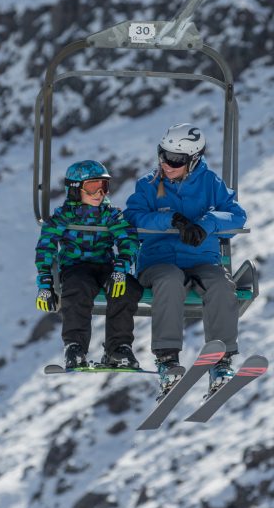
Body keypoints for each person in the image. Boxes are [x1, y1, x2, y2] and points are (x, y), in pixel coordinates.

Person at [124, 123, 247, 398]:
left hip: (200, 259)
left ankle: (221, 360)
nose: (167, 164)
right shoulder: (148, 185)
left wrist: (207, 223)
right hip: (158, 261)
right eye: (164, 155)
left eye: (176, 160)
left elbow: (237, 216)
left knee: (220, 283)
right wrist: (171, 220)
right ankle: (167, 359)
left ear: (193, 161)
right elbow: (133, 218)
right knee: (169, 280)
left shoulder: (210, 183)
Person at [35, 160, 143, 369]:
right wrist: (45, 282)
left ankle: (118, 348)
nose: (99, 193)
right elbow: (46, 247)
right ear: (75, 189)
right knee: (77, 288)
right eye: (93, 187)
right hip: (76, 267)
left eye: (104, 187)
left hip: (106, 266)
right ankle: (75, 346)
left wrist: (120, 269)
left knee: (126, 288)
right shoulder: (62, 217)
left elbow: (128, 240)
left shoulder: (110, 214)